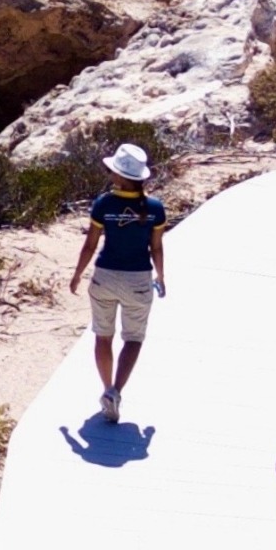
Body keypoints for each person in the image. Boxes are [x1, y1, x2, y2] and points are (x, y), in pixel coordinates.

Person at [68, 142, 166, 422]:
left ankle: (106, 387)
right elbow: (156, 247)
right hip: (138, 279)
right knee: (133, 338)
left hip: (105, 277)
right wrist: (161, 275)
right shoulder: (155, 209)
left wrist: (77, 274)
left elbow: (90, 244)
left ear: (120, 176)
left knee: (103, 336)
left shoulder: (104, 204)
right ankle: (116, 392)